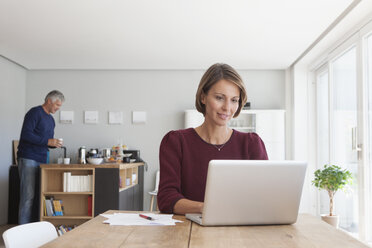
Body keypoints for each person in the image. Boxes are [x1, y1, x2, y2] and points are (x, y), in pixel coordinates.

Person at [158, 63, 268, 214]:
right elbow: (166, 199)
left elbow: (265, 196)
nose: (227, 108)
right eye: (219, 98)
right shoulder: (176, 142)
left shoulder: (251, 144)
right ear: (203, 97)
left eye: (234, 100)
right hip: (188, 232)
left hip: (241, 232)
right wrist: (208, 208)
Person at [17, 90, 65, 224]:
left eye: (60, 106)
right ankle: (22, 234)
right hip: (29, 158)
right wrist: (47, 141)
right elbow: (26, 135)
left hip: (43, 160)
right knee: (28, 197)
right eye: (57, 105)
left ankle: (34, 231)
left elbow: (45, 140)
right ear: (49, 101)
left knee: (39, 196)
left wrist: (53, 144)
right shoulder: (34, 113)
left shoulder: (51, 120)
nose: (58, 108)